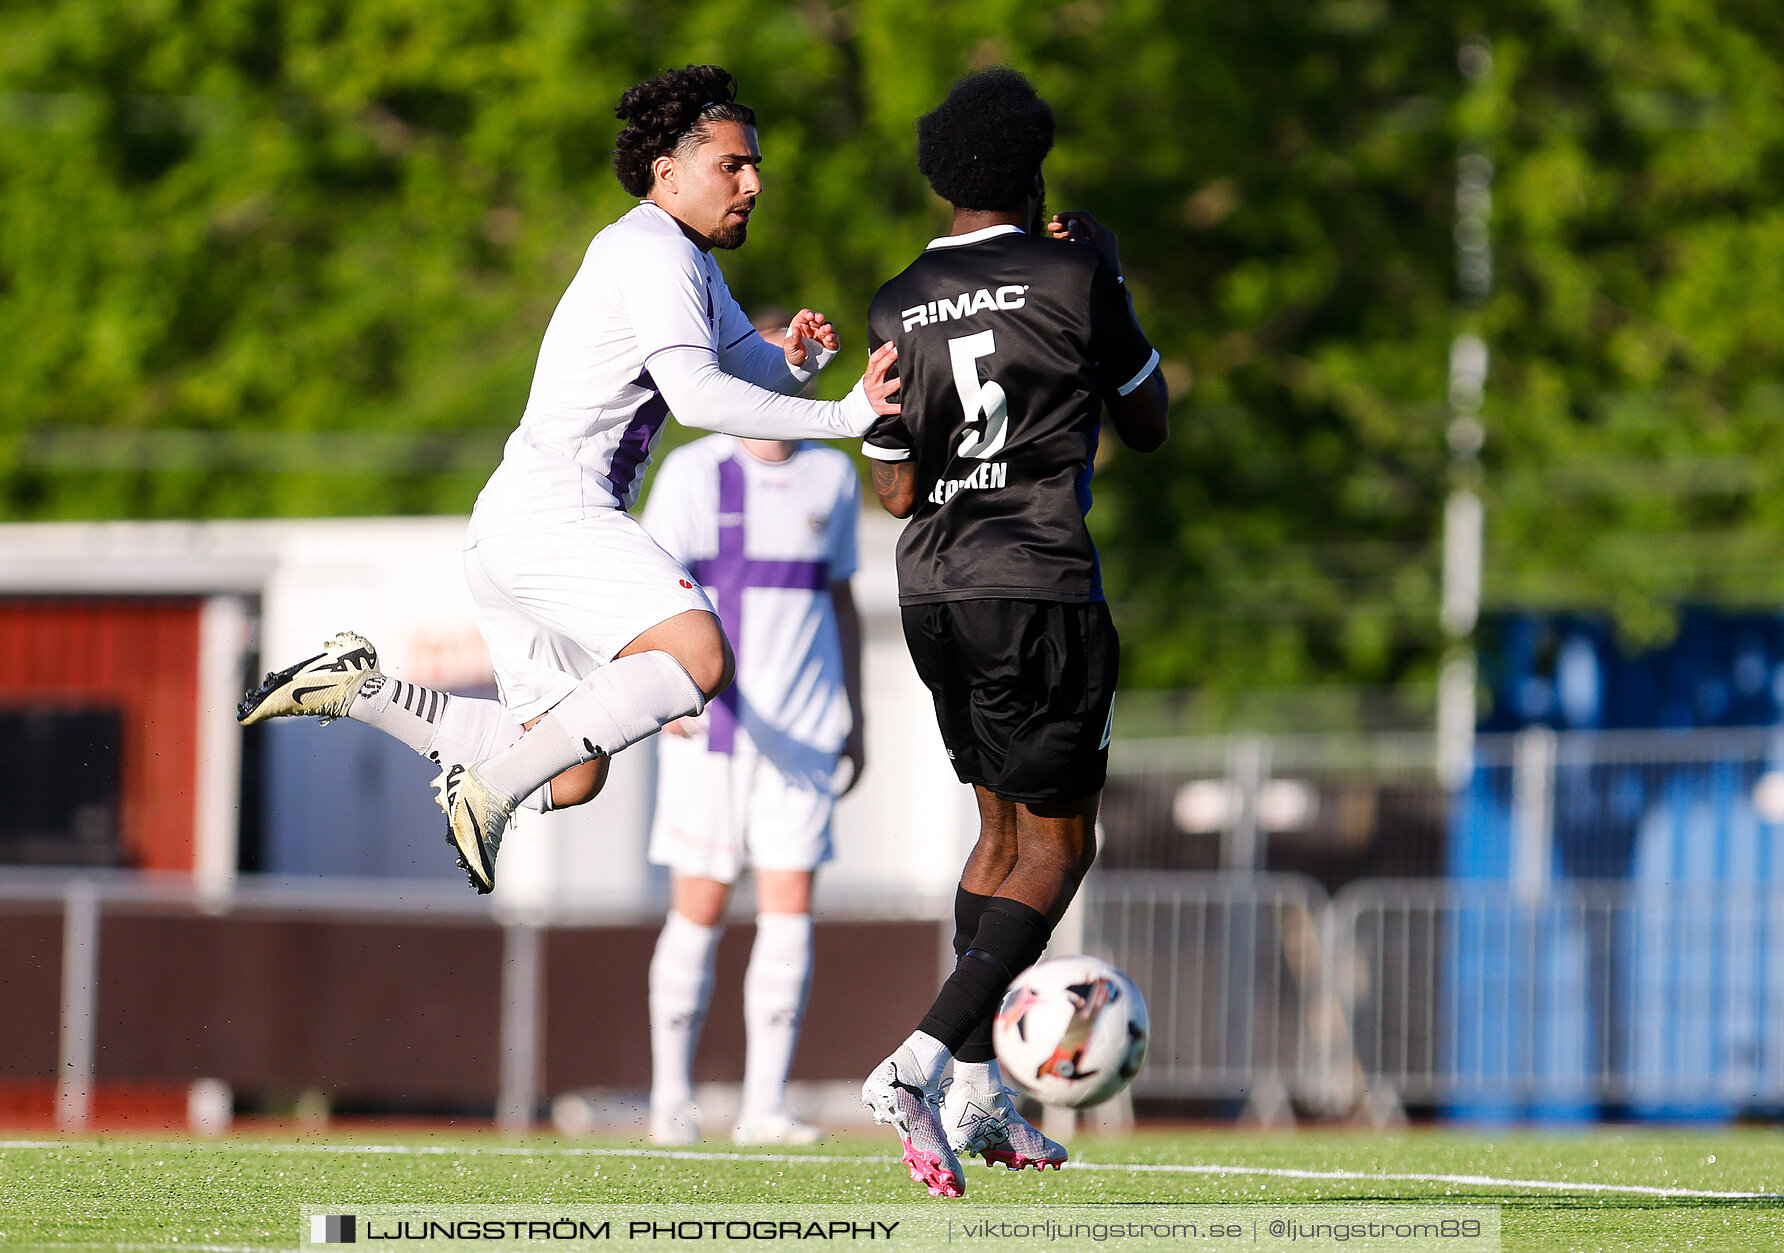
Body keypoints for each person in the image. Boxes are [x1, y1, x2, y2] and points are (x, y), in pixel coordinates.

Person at [236, 65, 899, 895]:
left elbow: (741, 370)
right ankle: (488, 791)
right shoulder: (652, 250)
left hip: (517, 522)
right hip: (559, 513)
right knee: (699, 654)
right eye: (733, 164)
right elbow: (697, 399)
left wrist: (799, 364)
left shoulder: (683, 260)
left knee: (568, 771)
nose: (754, 182)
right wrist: (844, 419)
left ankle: (359, 688)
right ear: (670, 172)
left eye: (754, 163)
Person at [853, 68, 1169, 1198]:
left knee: (996, 841)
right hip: (1037, 582)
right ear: (1036, 177)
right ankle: (922, 1058)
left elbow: (892, 491)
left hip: (934, 590)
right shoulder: (1073, 270)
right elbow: (1148, 420)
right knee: (1058, 847)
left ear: (944, 181)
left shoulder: (894, 300)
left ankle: (982, 1089)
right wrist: (1113, 271)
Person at [637, 324, 865, 1145]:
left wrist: (856, 717)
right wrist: (666, 698)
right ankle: (672, 1099)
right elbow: (652, 592)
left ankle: (764, 1104)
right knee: (698, 904)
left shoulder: (833, 477)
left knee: (791, 905)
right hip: (715, 731)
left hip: (803, 737)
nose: (782, 377)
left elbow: (838, 601)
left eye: (794, 364)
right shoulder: (695, 473)